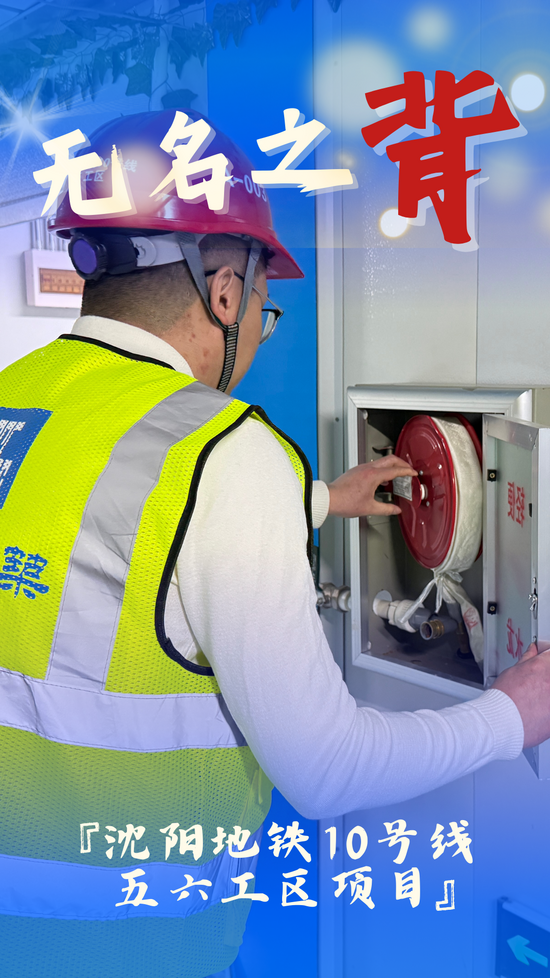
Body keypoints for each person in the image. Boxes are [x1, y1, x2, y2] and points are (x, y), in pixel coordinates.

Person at [1, 108, 550, 978]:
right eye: (265, 306)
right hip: (127, 944)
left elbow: (98, 533)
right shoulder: (224, 449)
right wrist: (513, 715)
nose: (259, 328)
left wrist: (319, 500)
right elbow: (329, 771)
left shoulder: (21, 396)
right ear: (225, 291)